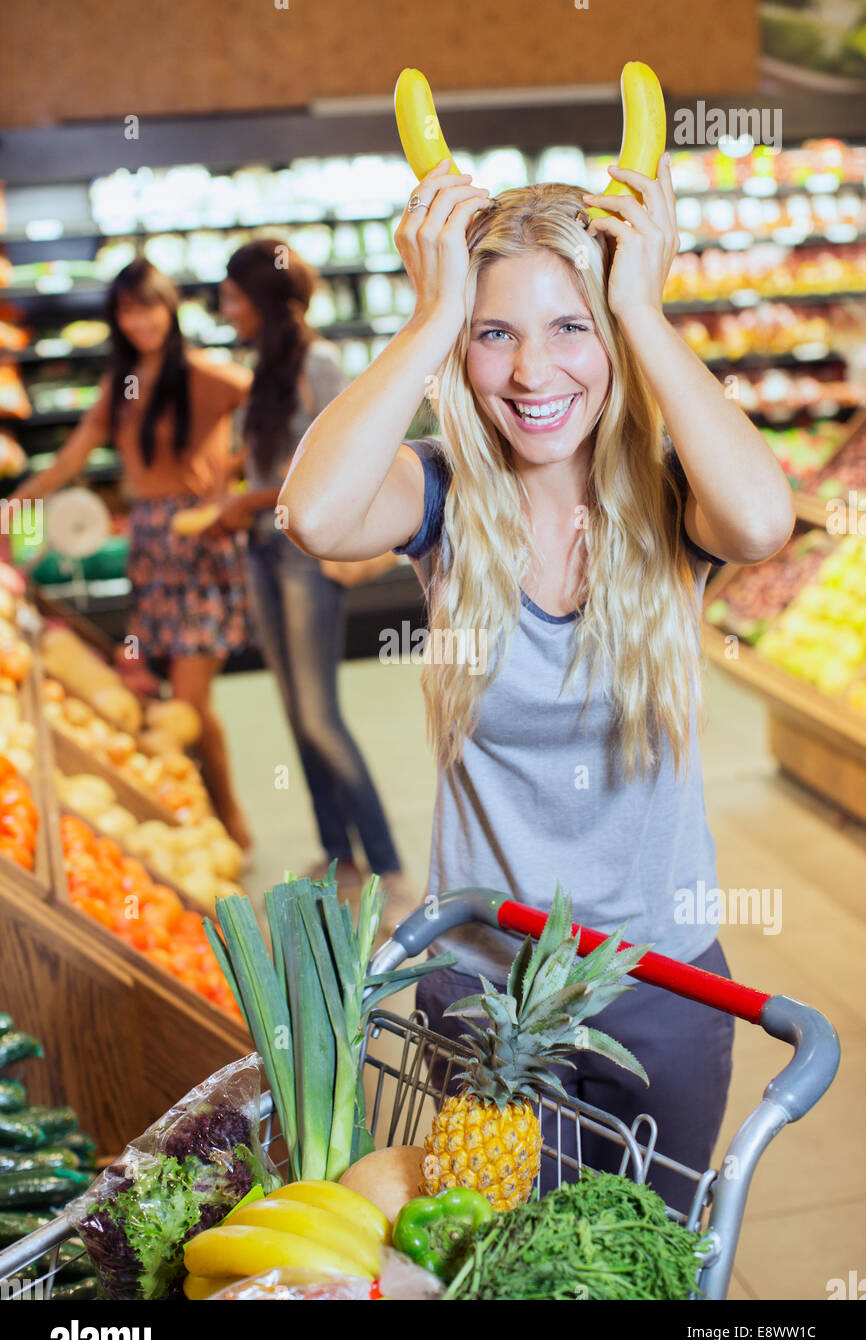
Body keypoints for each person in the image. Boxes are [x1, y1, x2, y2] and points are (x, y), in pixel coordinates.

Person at [277, 155, 796, 1210]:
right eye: (494, 332)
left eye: (570, 328)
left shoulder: (667, 500)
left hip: (659, 980)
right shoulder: (442, 495)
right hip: (481, 980)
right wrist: (430, 317)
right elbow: (316, 516)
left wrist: (640, 314)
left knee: (639, 1252)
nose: (530, 372)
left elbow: (760, 520)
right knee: (500, 1259)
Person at [13, 257, 254, 850]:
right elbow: (70, 461)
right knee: (181, 705)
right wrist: (12, 507)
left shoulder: (205, 374)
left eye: (147, 305)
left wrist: (235, 487)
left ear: (168, 307)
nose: (139, 320)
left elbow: (281, 415)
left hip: (199, 545)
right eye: (126, 310)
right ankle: (218, 821)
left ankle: (224, 826)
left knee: (189, 704)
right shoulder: (119, 387)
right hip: (149, 549)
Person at [215, 239, 414, 908]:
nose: (225, 308)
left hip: (305, 557)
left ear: (264, 300)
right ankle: (339, 853)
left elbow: (360, 450)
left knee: (321, 715)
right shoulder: (264, 365)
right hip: (263, 553)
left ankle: (385, 862)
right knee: (295, 714)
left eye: (234, 296)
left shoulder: (319, 362)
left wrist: (254, 497)